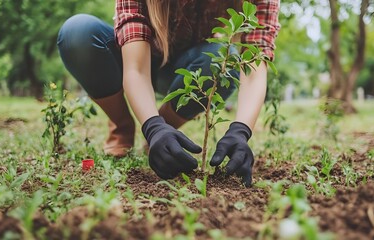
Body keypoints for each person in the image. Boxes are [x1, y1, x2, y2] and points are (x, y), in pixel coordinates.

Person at [57, 0, 280, 186]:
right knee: (78, 32)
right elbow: (135, 69)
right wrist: (152, 127)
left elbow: (254, 63)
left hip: (190, 68)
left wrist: (241, 130)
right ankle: (123, 125)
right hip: (133, 57)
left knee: (224, 59)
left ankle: (165, 126)